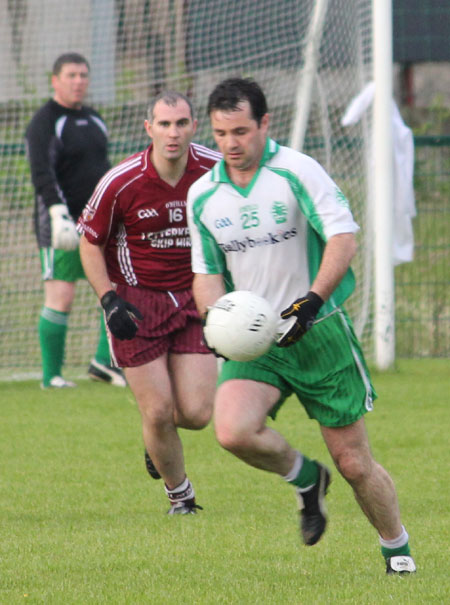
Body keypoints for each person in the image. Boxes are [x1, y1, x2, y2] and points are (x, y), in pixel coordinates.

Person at [187, 77, 416, 574]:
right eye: (222, 133)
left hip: (318, 330)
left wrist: (310, 302)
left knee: (354, 463)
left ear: (264, 123)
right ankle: (306, 478)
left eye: (241, 131)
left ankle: (396, 549)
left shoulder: (296, 171)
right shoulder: (204, 195)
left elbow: (343, 238)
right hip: (256, 339)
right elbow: (205, 274)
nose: (231, 143)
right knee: (232, 431)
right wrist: (215, 322)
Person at [78, 91, 220, 514]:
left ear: (194, 126)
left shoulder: (215, 171)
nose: (173, 133)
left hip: (195, 297)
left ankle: (155, 440)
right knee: (157, 411)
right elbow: (88, 243)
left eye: (181, 123)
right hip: (136, 302)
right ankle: (181, 498)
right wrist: (109, 301)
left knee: (195, 414)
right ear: (149, 129)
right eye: (164, 124)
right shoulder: (122, 181)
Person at [25, 52, 125, 389]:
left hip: (96, 224)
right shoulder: (44, 121)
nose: (78, 81)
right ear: (55, 80)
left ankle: (104, 362)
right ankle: (51, 376)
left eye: (83, 75)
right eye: (71, 75)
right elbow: (41, 173)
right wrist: (57, 213)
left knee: (110, 290)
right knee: (61, 296)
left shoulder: (95, 119)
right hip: (60, 224)